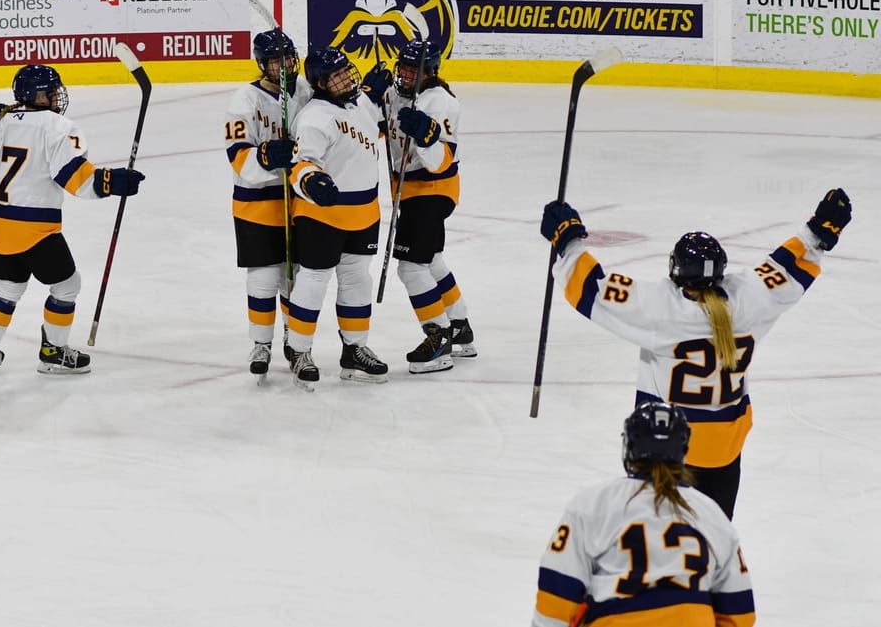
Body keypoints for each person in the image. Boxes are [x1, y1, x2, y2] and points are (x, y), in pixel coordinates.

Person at [540, 188, 851, 519]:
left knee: (664, 545)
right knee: (712, 543)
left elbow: (592, 290)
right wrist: (819, 230)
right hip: (727, 452)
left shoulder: (660, 309)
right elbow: (789, 268)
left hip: (667, 450)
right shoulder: (752, 299)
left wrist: (568, 239)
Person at [0, 63, 145, 376]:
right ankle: (54, 353)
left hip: (1, 227)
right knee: (67, 287)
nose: (57, 97)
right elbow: (76, 180)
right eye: (52, 92)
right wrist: (112, 182)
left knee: (6, 287)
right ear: (39, 96)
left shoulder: (1, 125)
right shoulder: (59, 128)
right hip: (37, 228)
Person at [532, 401, 755, 627]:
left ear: (629, 445)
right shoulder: (710, 513)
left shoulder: (593, 504)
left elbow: (556, 596)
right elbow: (740, 612)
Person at [360, 39, 474, 374]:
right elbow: (366, 128)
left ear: (431, 71)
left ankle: (438, 339)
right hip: (407, 190)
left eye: (415, 69)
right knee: (432, 261)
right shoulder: (393, 96)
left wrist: (426, 134)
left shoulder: (442, 102)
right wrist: (368, 96)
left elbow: (443, 161)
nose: (407, 75)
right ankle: (460, 327)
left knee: (410, 267)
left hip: (433, 188)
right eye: (404, 68)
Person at [284, 46, 389, 389]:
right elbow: (301, 164)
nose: (346, 77)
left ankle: (354, 349)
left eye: (347, 70)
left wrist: (375, 93)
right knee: (313, 281)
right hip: (323, 216)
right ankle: (299, 351)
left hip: (365, 213)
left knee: (357, 280)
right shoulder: (314, 117)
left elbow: (373, 132)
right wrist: (312, 181)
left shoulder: (360, 103)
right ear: (320, 83)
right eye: (337, 75)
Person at [223, 30, 312, 378]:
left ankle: (297, 342)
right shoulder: (244, 100)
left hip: (298, 202)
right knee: (262, 277)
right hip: (256, 202)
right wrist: (265, 156)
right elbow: (237, 155)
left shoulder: (304, 91)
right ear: (263, 64)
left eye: (288, 59)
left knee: (295, 278)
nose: (285, 66)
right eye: (276, 61)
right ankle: (261, 344)